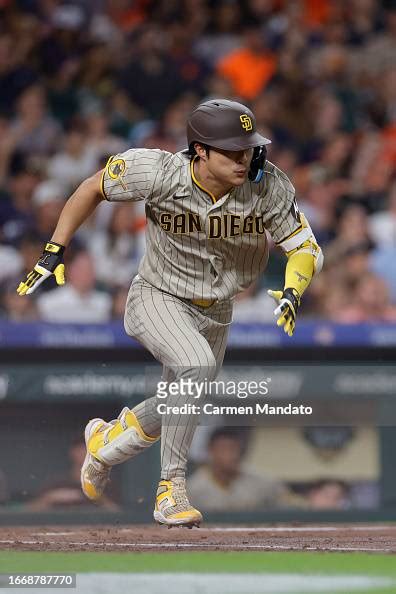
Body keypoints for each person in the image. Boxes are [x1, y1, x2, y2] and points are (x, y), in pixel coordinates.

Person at [17, 98, 323, 527]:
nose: (245, 158)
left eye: (249, 147)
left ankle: (105, 444)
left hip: (218, 307)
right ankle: (171, 488)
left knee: (180, 399)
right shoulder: (158, 171)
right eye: (232, 150)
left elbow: (304, 247)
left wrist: (294, 288)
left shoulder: (267, 184)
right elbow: (91, 188)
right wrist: (55, 247)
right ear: (200, 150)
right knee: (195, 367)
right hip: (157, 296)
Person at [188, 427, 287, 512]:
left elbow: (290, 508)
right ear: (210, 450)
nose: (230, 455)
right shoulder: (193, 488)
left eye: (233, 449)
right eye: (223, 449)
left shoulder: (264, 483)